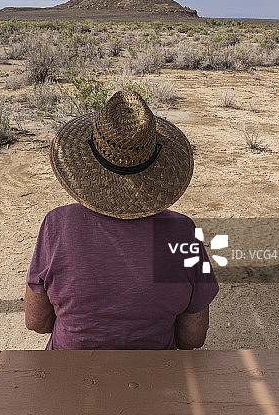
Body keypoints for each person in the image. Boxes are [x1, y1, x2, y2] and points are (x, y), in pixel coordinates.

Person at [25, 90, 219, 349]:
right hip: (158, 379)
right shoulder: (183, 232)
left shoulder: (57, 225)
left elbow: (37, 322)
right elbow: (193, 338)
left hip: (70, 377)